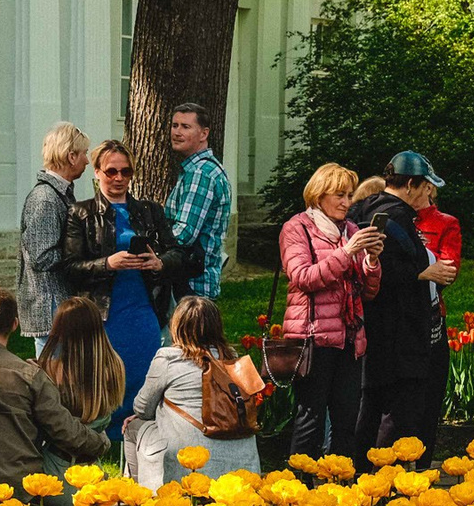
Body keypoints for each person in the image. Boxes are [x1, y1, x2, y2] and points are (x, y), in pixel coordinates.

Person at [59, 139, 187, 437]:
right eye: (111, 171)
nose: (119, 178)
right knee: (104, 373)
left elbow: (179, 253)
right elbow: (69, 268)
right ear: (97, 173)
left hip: (143, 305)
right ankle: (104, 433)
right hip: (102, 310)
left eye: (126, 172)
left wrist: (159, 263)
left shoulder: (149, 211)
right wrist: (107, 263)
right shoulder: (80, 213)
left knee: (143, 369)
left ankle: (142, 429)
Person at [0, 286, 112, 505]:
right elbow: (64, 430)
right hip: (20, 489)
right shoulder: (30, 376)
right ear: (15, 324)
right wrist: (100, 442)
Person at [350, 154, 455, 458]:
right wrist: (423, 273)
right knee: (395, 418)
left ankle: (361, 473)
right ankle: (384, 477)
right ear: (410, 184)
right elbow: (385, 269)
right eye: (425, 187)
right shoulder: (396, 215)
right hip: (400, 334)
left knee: (369, 409)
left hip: (372, 331)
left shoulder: (364, 208)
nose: (428, 195)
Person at [277, 162, 381, 464]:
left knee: (347, 418)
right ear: (319, 194)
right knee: (310, 416)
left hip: (349, 337)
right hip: (313, 338)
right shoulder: (297, 228)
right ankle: (298, 483)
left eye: (349, 195)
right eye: (339, 195)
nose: (346, 202)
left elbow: (368, 292)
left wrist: (372, 261)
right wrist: (347, 253)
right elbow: (303, 277)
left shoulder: (350, 230)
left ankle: (338, 482)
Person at [133, 294, 257, 485]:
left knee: (133, 426)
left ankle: (138, 495)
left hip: (190, 467)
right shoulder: (232, 359)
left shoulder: (168, 358)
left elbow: (142, 409)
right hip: (244, 472)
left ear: (177, 326)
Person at [37, 296, 129, 472]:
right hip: (92, 465)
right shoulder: (114, 366)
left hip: (56, 465)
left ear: (62, 331)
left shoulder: (52, 370)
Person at [19, 122, 87, 343]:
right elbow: (42, 257)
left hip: (58, 308)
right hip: (50, 309)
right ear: (71, 157)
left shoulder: (60, 194)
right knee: (53, 367)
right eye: (84, 153)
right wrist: (80, 250)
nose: (87, 161)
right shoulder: (45, 198)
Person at [165, 103, 233, 302]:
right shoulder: (203, 169)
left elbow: (183, 235)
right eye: (175, 125)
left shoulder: (200, 173)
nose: (177, 132)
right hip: (197, 283)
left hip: (192, 286)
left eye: (185, 127)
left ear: (204, 134)